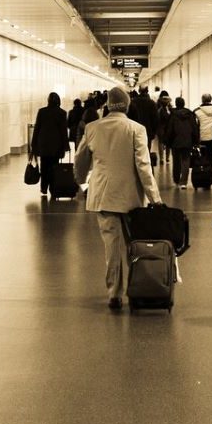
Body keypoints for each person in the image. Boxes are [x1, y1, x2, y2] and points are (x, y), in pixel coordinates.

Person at [75, 85, 163, 310]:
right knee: (134, 245)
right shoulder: (136, 129)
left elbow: (80, 159)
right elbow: (144, 166)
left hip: (103, 196)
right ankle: (135, 289)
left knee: (111, 247)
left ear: (107, 104)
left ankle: (114, 293)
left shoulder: (93, 128)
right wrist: (155, 198)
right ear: (126, 105)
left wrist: (82, 182)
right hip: (131, 196)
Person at [30, 92, 69, 197]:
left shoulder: (42, 112)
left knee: (44, 166)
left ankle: (43, 187)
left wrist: (33, 144)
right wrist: (66, 146)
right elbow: (63, 131)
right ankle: (53, 188)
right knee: (54, 167)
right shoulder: (62, 113)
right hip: (56, 145)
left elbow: (37, 129)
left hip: (43, 144)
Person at [163, 96, 199, 188]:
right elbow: (194, 128)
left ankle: (176, 180)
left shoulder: (173, 115)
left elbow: (170, 129)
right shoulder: (190, 114)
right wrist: (196, 141)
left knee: (176, 161)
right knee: (186, 161)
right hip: (188, 141)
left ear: (176, 103)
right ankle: (184, 182)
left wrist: (167, 141)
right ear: (184, 103)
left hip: (175, 141)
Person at [155, 91, 173, 163]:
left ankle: (161, 158)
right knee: (168, 143)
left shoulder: (158, 107)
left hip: (160, 127)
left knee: (161, 142)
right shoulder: (170, 108)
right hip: (168, 127)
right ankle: (167, 158)